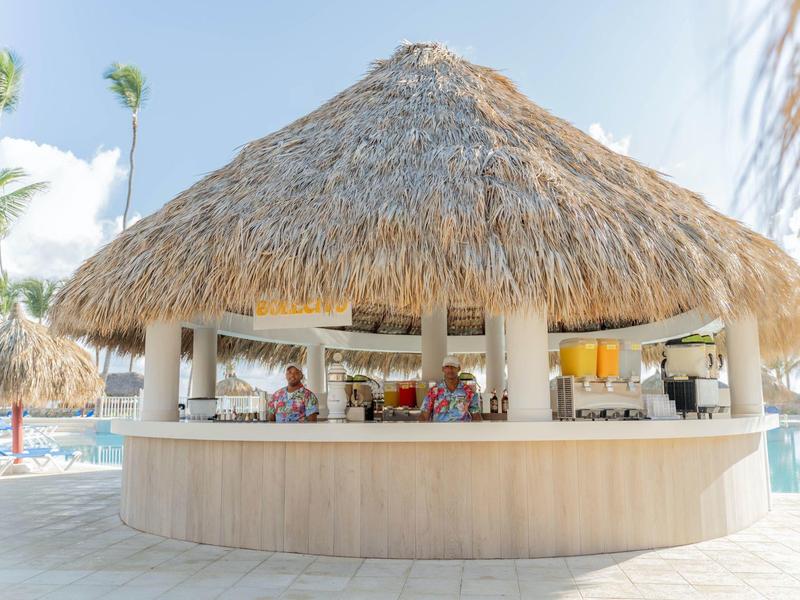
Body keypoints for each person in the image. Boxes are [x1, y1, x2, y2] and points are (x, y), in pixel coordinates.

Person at [419, 355, 482, 422]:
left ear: (459, 368)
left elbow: (476, 416)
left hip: (462, 431)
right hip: (438, 431)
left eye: (453, 366)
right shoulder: (434, 391)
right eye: (447, 367)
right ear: (442, 369)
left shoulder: (469, 391)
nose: (450, 369)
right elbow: (424, 415)